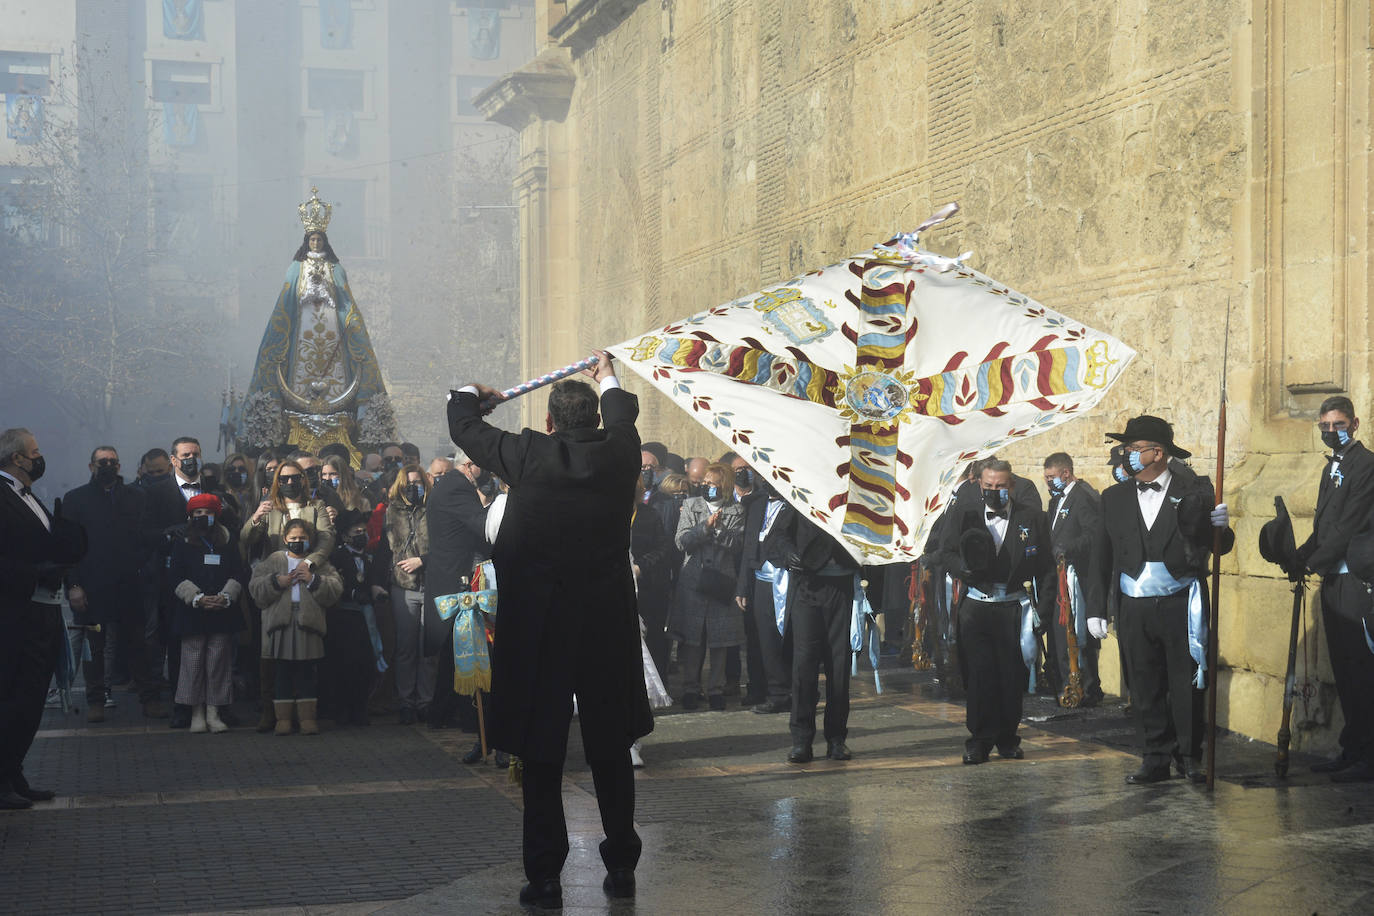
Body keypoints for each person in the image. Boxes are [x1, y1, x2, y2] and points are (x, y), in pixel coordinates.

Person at [448, 350, 651, 909]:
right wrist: (608, 374)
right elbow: (625, 418)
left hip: (541, 625)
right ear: (596, 420)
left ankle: (544, 877)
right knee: (610, 744)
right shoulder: (621, 454)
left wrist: (474, 391)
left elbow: (463, 426)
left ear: (550, 422)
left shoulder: (527, 454)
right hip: (604, 623)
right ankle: (623, 863)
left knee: (542, 752)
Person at [1091, 415, 1233, 785]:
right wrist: (1095, 609)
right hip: (1133, 601)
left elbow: (1218, 546)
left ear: (1159, 453)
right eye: (1127, 449)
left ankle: (1188, 755)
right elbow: (1100, 555)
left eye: (1135, 449)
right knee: (1144, 681)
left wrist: (1221, 526)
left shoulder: (1194, 490)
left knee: (1185, 682)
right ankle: (1154, 755)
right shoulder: (1114, 497)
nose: (1128, 455)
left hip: (1179, 599)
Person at [241, 194, 394, 451]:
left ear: (324, 241)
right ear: (306, 241)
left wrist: (330, 295)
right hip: (303, 326)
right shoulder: (296, 268)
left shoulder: (336, 268)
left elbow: (345, 300)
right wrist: (306, 294)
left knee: (338, 364)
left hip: (333, 327)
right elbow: (287, 300)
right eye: (312, 239)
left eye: (318, 239)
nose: (315, 242)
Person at [939, 459, 1053, 764]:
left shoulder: (1033, 518)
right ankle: (979, 739)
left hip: (1014, 608)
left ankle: (1008, 737)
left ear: (1011, 486)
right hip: (976, 606)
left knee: (1011, 675)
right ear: (980, 485)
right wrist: (964, 570)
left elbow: (1045, 568)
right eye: (988, 486)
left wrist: (1043, 612)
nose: (994, 491)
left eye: (1000, 486)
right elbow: (944, 552)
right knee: (979, 675)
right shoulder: (965, 515)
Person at [0, 428, 85, 808]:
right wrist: (35, 574)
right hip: (16, 614)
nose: (39, 457)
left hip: (43, 611)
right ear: (17, 458)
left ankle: (13, 772)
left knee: (32, 699)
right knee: (14, 697)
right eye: (34, 452)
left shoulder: (28, 495)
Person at [1297, 397, 1374, 781]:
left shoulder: (1367, 465)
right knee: (1343, 669)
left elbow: (1349, 525)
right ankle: (1352, 747)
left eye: (1338, 425)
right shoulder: (1332, 467)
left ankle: (1368, 756)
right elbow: (1324, 524)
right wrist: (1300, 555)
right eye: (1324, 426)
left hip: (1356, 582)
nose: (1331, 433)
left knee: (1362, 669)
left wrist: (1314, 561)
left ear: (1355, 424)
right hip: (1334, 580)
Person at [242, 461, 336, 732]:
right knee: (269, 650)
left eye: (295, 477)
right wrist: (258, 516)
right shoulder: (269, 504)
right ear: (276, 481)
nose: (290, 483)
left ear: (304, 479)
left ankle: (306, 715)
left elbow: (327, 537)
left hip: (306, 576)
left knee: (306, 653)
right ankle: (271, 714)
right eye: (283, 478)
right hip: (276, 576)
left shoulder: (315, 505)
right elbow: (246, 538)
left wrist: (312, 563)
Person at [61, 446, 152, 724]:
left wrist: (140, 566)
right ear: (91, 466)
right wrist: (74, 585)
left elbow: (145, 537)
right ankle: (96, 700)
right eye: (102, 462)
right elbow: (68, 547)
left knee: (138, 643)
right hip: (93, 585)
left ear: (120, 465)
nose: (108, 466)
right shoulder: (75, 499)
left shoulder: (136, 497)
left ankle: (149, 698)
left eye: (113, 461)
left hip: (129, 583)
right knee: (95, 649)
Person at [768, 502, 861, 764]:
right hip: (808, 585)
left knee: (839, 668)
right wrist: (788, 554)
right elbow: (777, 535)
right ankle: (801, 739)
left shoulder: (854, 492)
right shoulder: (803, 490)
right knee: (804, 666)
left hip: (842, 587)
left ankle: (836, 739)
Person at [249, 518, 343, 736]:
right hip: (281, 624)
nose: (298, 542)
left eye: (302, 538)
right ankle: (283, 719)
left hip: (308, 624)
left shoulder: (318, 562)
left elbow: (336, 588)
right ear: (284, 539)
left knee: (307, 672)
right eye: (293, 538)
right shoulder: (274, 560)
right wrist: (276, 581)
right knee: (281, 672)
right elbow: (255, 586)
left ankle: (307, 718)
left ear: (310, 540)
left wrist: (313, 580)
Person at [424, 449, 489, 739]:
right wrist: (497, 505)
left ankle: (444, 713)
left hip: (449, 578)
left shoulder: (449, 485)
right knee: (464, 650)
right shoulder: (457, 488)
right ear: (469, 465)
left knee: (453, 656)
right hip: (456, 583)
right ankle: (466, 716)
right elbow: (482, 525)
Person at [169, 495, 245, 734]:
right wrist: (197, 598)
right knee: (192, 662)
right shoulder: (182, 542)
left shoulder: (227, 540)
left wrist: (226, 596)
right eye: (197, 512)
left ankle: (214, 711)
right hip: (193, 611)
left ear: (216, 514)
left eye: (207, 512)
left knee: (218, 662)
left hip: (222, 610)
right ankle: (196, 712)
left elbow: (238, 571)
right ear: (190, 516)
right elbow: (175, 575)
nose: (202, 517)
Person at [673, 463, 747, 711]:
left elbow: (737, 546)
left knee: (719, 639)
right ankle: (691, 688)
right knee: (693, 639)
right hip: (693, 580)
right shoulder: (692, 505)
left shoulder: (736, 510)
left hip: (721, 582)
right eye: (704, 483)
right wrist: (704, 527)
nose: (706, 487)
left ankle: (716, 689)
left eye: (712, 484)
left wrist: (719, 530)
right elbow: (681, 541)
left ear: (723, 486)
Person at [1041, 452, 1103, 706]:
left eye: (1051, 477)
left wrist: (1070, 547)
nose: (1048, 482)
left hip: (1077, 577)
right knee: (1059, 632)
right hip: (1059, 577)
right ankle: (1067, 683)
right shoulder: (1056, 501)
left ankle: (1086, 688)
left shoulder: (1083, 497)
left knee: (1077, 634)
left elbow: (1093, 534)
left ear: (1066, 473)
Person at [735, 475, 793, 714]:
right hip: (761, 578)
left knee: (791, 636)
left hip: (789, 578)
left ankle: (796, 690)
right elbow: (748, 545)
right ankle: (776, 692)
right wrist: (742, 585)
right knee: (765, 638)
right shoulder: (756, 503)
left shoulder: (796, 504)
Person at [325, 510, 387, 726]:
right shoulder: (337, 556)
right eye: (356, 531)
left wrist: (376, 591)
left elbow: (374, 579)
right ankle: (341, 710)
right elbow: (333, 582)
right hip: (344, 616)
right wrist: (352, 593)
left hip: (365, 616)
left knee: (364, 663)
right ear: (345, 536)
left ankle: (360, 709)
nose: (361, 534)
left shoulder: (369, 557)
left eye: (363, 531)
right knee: (344, 664)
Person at [384, 464, 432, 724]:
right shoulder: (391, 512)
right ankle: (406, 701)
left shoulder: (434, 509)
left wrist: (423, 560)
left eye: (418, 483)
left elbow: (447, 546)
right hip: (403, 585)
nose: (414, 488)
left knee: (427, 647)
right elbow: (383, 548)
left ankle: (426, 701)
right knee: (405, 647)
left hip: (431, 582)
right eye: (409, 484)